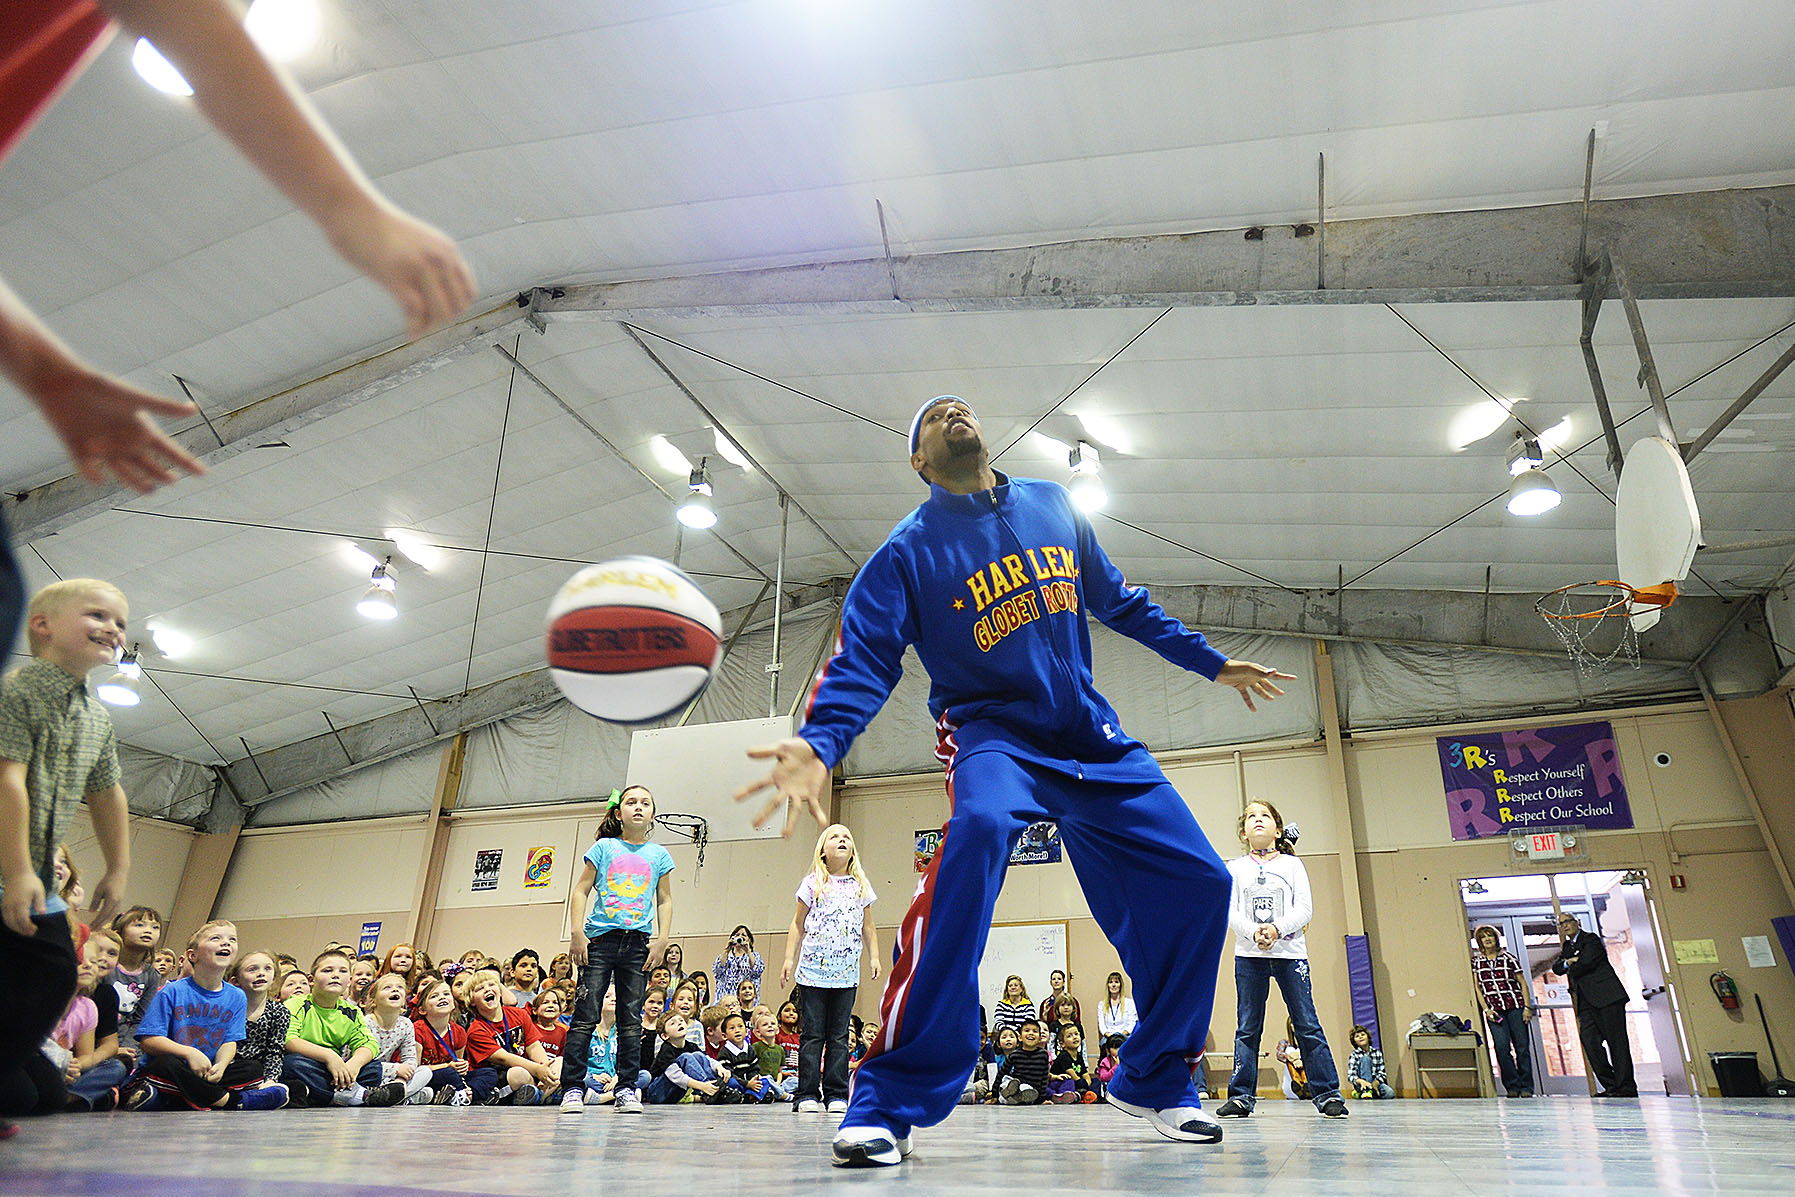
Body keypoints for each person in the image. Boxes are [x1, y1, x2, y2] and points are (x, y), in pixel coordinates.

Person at [736, 394, 1294, 1166]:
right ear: (919, 462)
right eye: (932, 417)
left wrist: (1209, 661)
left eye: (959, 408)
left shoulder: (1052, 504)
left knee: (1202, 880)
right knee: (978, 834)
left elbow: (1118, 600)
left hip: (1089, 736)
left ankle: (1155, 1074)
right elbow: (863, 658)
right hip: (991, 731)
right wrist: (820, 741)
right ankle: (887, 1098)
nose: (951, 414)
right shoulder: (906, 551)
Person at [0, 579, 135, 1138]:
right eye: (98, 615)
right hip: (13, 870)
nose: (113, 628)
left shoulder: (96, 717)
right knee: (46, 973)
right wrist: (18, 870)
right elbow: (6, 777)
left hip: (35, 879)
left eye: (122, 623)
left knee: (44, 1094)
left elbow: (107, 793)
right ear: (43, 626)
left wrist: (118, 867)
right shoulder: (18, 691)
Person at [1217, 800, 1347, 1119]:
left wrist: (1276, 929)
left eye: (1265, 816)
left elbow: (1304, 908)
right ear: (1243, 832)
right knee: (1248, 1027)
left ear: (1277, 829)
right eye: (1251, 817)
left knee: (1306, 1022)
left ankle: (1327, 1092)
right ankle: (1241, 1096)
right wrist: (1253, 932)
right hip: (1250, 956)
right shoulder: (1234, 868)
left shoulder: (1292, 866)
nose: (1257, 820)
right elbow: (1228, 910)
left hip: (1290, 956)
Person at [560, 785, 673, 1115]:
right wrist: (577, 932)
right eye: (631, 802)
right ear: (619, 811)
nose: (638, 807)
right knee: (585, 1016)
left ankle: (626, 1088)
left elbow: (664, 899)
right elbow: (581, 890)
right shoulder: (604, 847)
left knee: (630, 1020)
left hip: (637, 943)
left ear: (652, 813)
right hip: (600, 940)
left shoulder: (659, 855)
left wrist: (662, 939)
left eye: (645, 803)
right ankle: (572, 1089)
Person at [121, 921, 287, 1111]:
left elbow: (230, 1041)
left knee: (252, 1069)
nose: (226, 943)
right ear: (193, 955)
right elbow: (149, 1041)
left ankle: (167, 1098)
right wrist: (189, 1053)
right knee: (165, 1064)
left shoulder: (237, 996)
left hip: (206, 1071)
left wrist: (222, 1065)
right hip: (174, 1066)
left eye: (232, 939)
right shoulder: (171, 992)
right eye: (216, 938)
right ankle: (231, 1101)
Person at [781, 822, 879, 1115]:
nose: (841, 840)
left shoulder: (860, 885)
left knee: (839, 1035)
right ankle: (806, 1093)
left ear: (852, 851)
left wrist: (874, 956)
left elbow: (869, 926)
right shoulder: (812, 883)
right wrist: (788, 958)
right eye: (834, 836)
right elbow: (797, 924)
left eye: (847, 837)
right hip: (812, 971)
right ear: (823, 851)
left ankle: (836, 1093)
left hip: (846, 973)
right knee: (813, 1035)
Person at [279, 948, 406, 1108]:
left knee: (373, 1068)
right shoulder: (296, 1003)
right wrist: (329, 1056)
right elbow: (289, 1040)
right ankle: (359, 1095)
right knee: (291, 1064)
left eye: (343, 971)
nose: (335, 975)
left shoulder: (351, 1012)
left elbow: (369, 1044)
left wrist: (354, 1064)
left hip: (336, 1070)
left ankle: (326, 1095)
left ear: (349, 979)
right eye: (327, 970)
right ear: (311, 980)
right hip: (310, 1062)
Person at [1552, 912, 1635, 1097]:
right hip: (1586, 1002)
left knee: (1617, 1043)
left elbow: (1586, 963)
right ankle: (1611, 1085)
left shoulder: (1591, 940)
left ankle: (1626, 1087)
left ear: (1576, 923)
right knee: (1590, 1041)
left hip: (1607, 997)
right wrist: (1569, 961)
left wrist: (1573, 963)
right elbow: (1557, 968)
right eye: (1561, 924)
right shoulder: (1567, 947)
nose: (1565, 926)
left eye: (1567, 922)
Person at [464, 966, 555, 1105]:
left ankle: (541, 1094)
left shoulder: (519, 1014)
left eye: (491, 984)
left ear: (500, 991)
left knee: (558, 1062)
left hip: (529, 1068)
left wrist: (545, 1067)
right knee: (518, 1073)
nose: (487, 989)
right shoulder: (476, 1030)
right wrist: (537, 1070)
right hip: (500, 1076)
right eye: (479, 989)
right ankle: (546, 1094)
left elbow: (533, 1046)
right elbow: (504, 1058)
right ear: (472, 1000)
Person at [1471, 924, 1535, 1098]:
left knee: (1522, 1048)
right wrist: (1486, 1009)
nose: (1487, 939)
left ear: (1495, 938)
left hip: (1515, 1007)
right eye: (1484, 937)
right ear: (1480, 941)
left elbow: (1522, 982)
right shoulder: (1477, 962)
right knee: (1501, 1048)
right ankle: (1512, 1086)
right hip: (1495, 1011)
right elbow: (1477, 987)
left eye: (1490, 935)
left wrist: (1527, 1007)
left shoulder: (1508, 958)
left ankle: (1527, 1087)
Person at [227, 948, 291, 1096]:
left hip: (258, 1074)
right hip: (231, 1068)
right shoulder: (229, 1008)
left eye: (267, 968)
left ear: (274, 978)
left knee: (297, 1087)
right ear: (236, 981)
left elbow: (274, 1051)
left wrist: (270, 1080)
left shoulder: (279, 1011)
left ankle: (251, 1095)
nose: (261, 973)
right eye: (252, 969)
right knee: (250, 1069)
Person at [364, 972, 432, 1104]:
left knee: (425, 1072)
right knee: (426, 1092)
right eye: (387, 987)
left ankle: (394, 1094)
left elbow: (410, 1058)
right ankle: (405, 1097)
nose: (395, 989)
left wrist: (401, 1079)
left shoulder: (406, 1024)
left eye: (400, 987)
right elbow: (362, 1064)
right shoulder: (365, 1023)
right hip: (370, 1074)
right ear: (373, 1000)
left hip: (393, 1079)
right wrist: (396, 1069)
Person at [411, 976, 476, 1107]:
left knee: (488, 1073)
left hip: (451, 1075)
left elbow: (457, 1063)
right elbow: (416, 1069)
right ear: (422, 1010)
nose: (442, 997)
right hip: (428, 1076)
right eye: (434, 996)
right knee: (448, 1074)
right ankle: (464, 1095)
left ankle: (458, 1095)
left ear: (453, 1003)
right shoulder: (417, 1029)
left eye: (446, 994)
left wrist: (462, 1067)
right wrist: (447, 1067)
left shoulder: (459, 1031)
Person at [996, 1021, 1052, 1106]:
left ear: (1040, 1037)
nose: (1031, 1033)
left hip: (1030, 1088)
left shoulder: (1043, 1055)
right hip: (1015, 1082)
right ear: (1020, 1037)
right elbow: (1002, 1073)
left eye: (1035, 1031)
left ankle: (1014, 1097)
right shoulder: (1014, 1054)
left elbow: (1044, 1078)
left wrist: (1042, 1099)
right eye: (1027, 1030)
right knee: (1006, 1081)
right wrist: (994, 1094)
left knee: (1025, 1089)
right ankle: (1007, 1094)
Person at [714, 926, 765, 1007]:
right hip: (725, 999)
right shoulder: (725, 956)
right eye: (737, 935)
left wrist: (748, 951)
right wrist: (727, 949)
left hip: (746, 1001)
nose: (740, 937)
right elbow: (717, 972)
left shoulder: (754, 956)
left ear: (750, 940)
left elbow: (757, 971)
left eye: (743, 935)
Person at [1344, 1025, 1394, 1099]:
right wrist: (1361, 1081)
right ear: (1354, 1041)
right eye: (1357, 1036)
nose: (1360, 1037)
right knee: (1365, 1058)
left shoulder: (1377, 1053)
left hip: (1375, 1083)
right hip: (1361, 1085)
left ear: (1368, 1037)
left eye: (1363, 1035)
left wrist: (1376, 1083)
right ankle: (1365, 1091)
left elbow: (1382, 1073)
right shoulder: (1354, 1055)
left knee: (1390, 1093)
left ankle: (1369, 1093)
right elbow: (1351, 1076)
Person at [1098, 971, 1138, 1041]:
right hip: (1108, 1037)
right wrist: (1110, 1037)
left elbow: (1131, 1023)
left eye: (1116, 982)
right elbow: (1102, 1025)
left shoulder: (1129, 1003)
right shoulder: (1102, 1005)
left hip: (1124, 1037)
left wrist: (1120, 1036)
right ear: (1108, 985)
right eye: (1111, 982)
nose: (1113, 985)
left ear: (1120, 985)